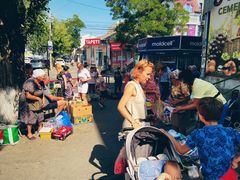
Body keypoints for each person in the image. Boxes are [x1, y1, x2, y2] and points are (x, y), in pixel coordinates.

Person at [161, 97, 240, 179]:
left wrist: (168, 134)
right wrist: (236, 160)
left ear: (201, 116)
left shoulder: (199, 134)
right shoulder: (231, 131)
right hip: (230, 175)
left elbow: (181, 150)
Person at [118, 59, 153, 129]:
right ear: (139, 72)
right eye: (147, 74)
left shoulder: (139, 85)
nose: (149, 77)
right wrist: (133, 122)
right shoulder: (131, 86)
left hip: (140, 125)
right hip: (132, 127)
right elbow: (120, 106)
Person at [19, 69, 45, 140]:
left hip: (37, 101)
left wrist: (43, 100)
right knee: (30, 117)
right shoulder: (29, 82)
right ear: (37, 76)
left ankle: (40, 128)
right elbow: (28, 95)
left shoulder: (41, 82)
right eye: (42, 76)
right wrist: (38, 99)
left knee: (40, 115)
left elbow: (42, 92)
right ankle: (29, 134)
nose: (44, 77)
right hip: (29, 102)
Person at [168, 70, 191, 135]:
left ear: (176, 79)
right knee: (175, 126)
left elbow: (188, 97)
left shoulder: (183, 85)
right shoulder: (173, 85)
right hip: (175, 107)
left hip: (182, 108)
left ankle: (182, 141)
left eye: (171, 78)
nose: (170, 80)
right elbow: (172, 94)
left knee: (182, 127)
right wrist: (170, 99)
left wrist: (177, 101)